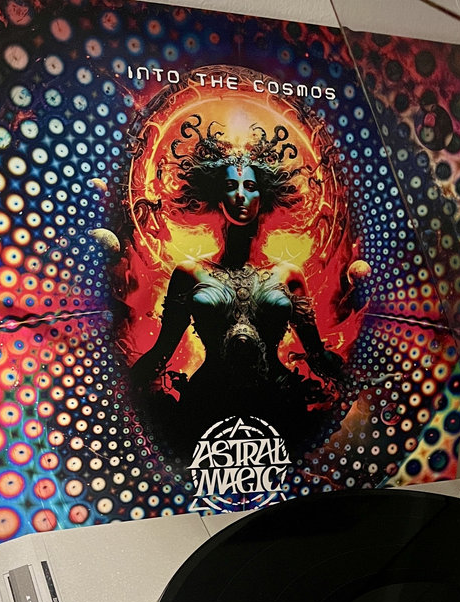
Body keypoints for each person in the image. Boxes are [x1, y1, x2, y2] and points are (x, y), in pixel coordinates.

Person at [130, 116, 344, 459]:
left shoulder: (289, 275)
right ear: (217, 195)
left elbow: (317, 355)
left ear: (264, 195)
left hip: (280, 405)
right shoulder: (189, 273)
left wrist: (363, 377)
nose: (240, 195)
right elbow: (162, 352)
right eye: (231, 185)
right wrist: (118, 392)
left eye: (250, 186)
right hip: (206, 407)